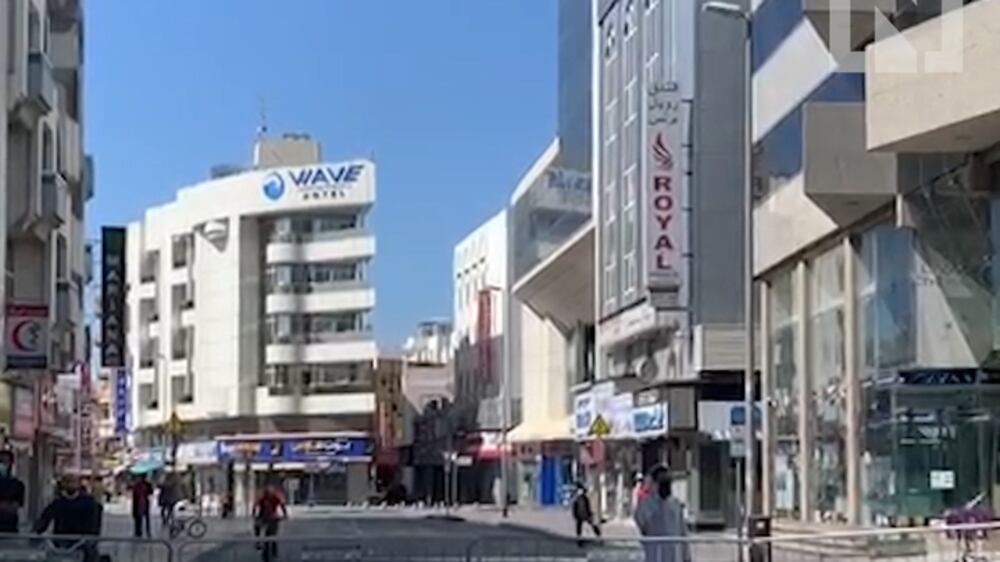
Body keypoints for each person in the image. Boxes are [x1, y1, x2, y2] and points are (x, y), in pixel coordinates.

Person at [34, 475, 102, 562]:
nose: (70, 485)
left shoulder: (88, 502)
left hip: (82, 542)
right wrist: (38, 531)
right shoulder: (58, 503)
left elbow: (95, 521)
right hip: (60, 542)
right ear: (63, 484)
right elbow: (45, 517)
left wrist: (92, 537)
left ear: (78, 484)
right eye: (67, 482)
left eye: (73, 482)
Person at [634, 465, 691, 562]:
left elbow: (641, 523)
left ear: (655, 483)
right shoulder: (676, 505)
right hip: (674, 554)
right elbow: (683, 534)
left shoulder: (647, 505)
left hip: (656, 553)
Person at [253, 483, 287, 562]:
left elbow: (282, 505)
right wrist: (254, 514)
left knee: (272, 534)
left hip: (271, 517)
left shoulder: (274, 496)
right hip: (265, 517)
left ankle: (273, 550)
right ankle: (259, 542)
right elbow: (255, 505)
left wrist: (285, 514)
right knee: (259, 528)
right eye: (268, 492)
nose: (269, 494)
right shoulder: (264, 496)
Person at [0, 450, 25, 535]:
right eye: (0, 461)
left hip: (10, 529)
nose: (2, 465)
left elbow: (16, 505)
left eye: (5, 462)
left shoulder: (17, 484)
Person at [131, 473, 153, 538]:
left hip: (138, 503)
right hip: (145, 502)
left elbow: (134, 494)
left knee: (138, 518)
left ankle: (138, 531)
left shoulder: (137, 485)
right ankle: (147, 531)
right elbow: (151, 492)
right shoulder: (147, 484)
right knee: (146, 518)